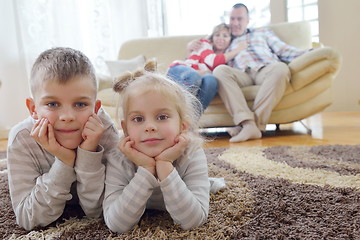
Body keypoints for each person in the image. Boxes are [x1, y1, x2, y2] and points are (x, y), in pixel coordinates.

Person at [7, 47, 120, 230]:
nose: (67, 116)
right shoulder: (21, 139)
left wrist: (88, 154)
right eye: (52, 104)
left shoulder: (105, 131)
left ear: (96, 108)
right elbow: (28, 218)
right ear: (33, 109)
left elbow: (100, 211)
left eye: (80, 104)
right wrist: (64, 161)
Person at [103, 60, 210, 233]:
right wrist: (146, 169)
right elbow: (117, 225)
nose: (150, 127)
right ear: (125, 129)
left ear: (182, 125)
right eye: (138, 119)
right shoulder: (118, 157)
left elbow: (193, 221)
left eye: (162, 117)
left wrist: (165, 164)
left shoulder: (192, 152)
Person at [190, 3, 313, 142]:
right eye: (232, 19)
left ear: (248, 20)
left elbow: (284, 50)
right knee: (220, 70)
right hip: (240, 74)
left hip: (265, 69)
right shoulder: (225, 38)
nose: (235, 23)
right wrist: (192, 45)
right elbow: (208, 50)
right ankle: (248, 124)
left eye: (239, 19)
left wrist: (308, 53)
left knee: (281, 68)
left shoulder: (262, 32)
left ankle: (250, 126)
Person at [167, 23, 247, 111]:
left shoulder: (228, 59)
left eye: (225, 36)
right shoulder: (204, 44)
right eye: (217, 35)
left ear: (231, 40)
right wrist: (238, 49)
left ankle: (191, 120)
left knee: (212, 81)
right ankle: (179, 112)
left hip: (198, 78)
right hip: (179, 70)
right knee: (194, 76)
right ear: (212, 37)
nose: (221, 38)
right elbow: (213, 61)